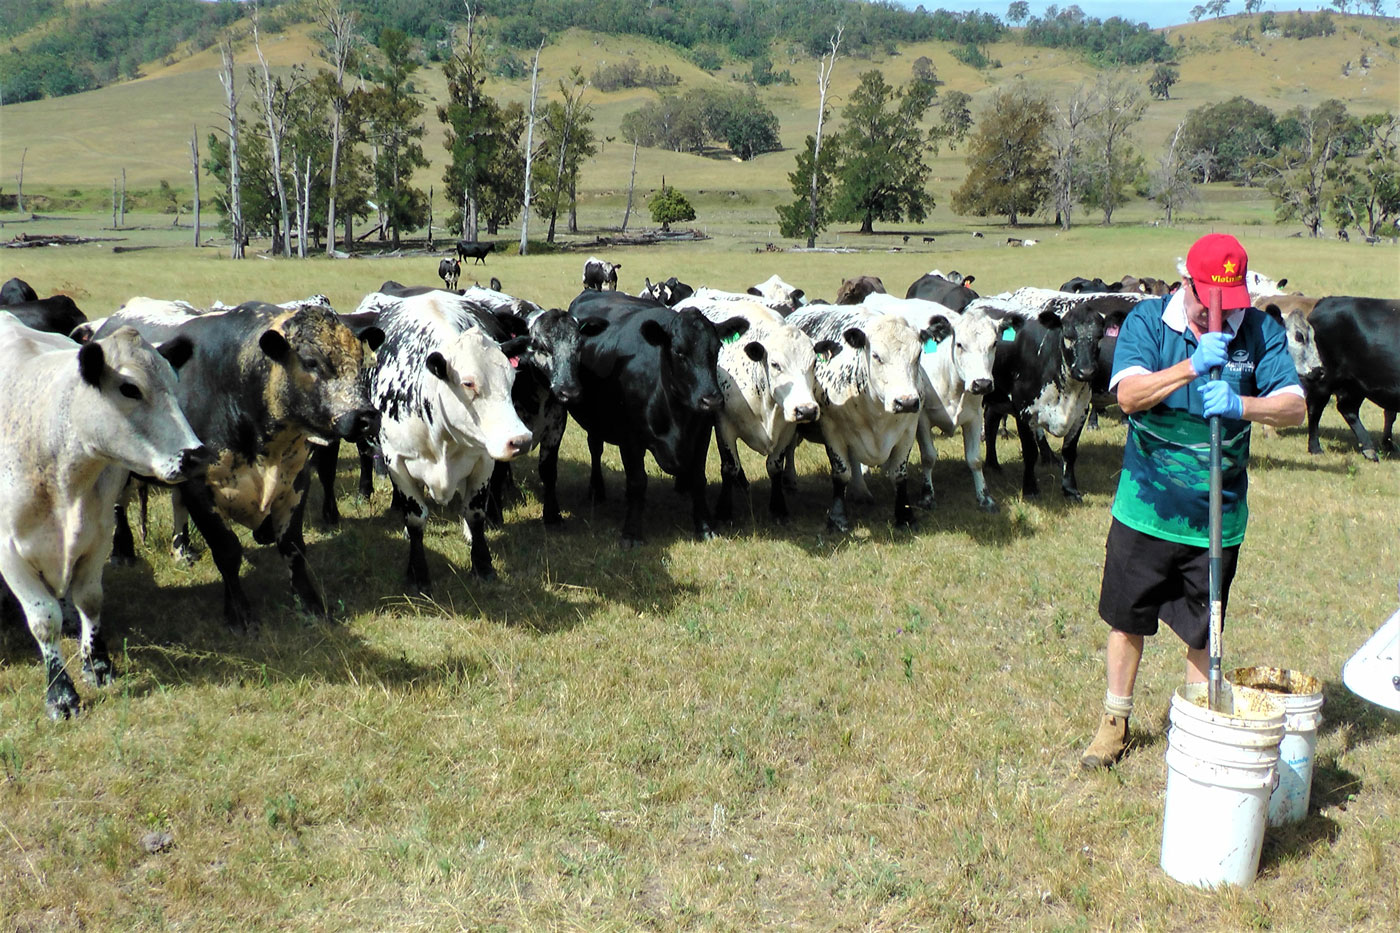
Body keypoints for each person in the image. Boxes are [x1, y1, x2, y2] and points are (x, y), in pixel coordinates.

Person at [1080, 233, 1307, 770]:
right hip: (1145, 510)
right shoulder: (1148, 323)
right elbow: (1128, 396)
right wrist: (1189, 368)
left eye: (1229, 304)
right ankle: (1115, 722)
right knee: (1126, 619)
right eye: (1208, 304)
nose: (1219, 315)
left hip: (1216, 520)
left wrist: (1241, 403)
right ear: (1186, 283)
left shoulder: (1259, 332)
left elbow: (1294, 407)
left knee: (1204, 632)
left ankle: (1192, 730)